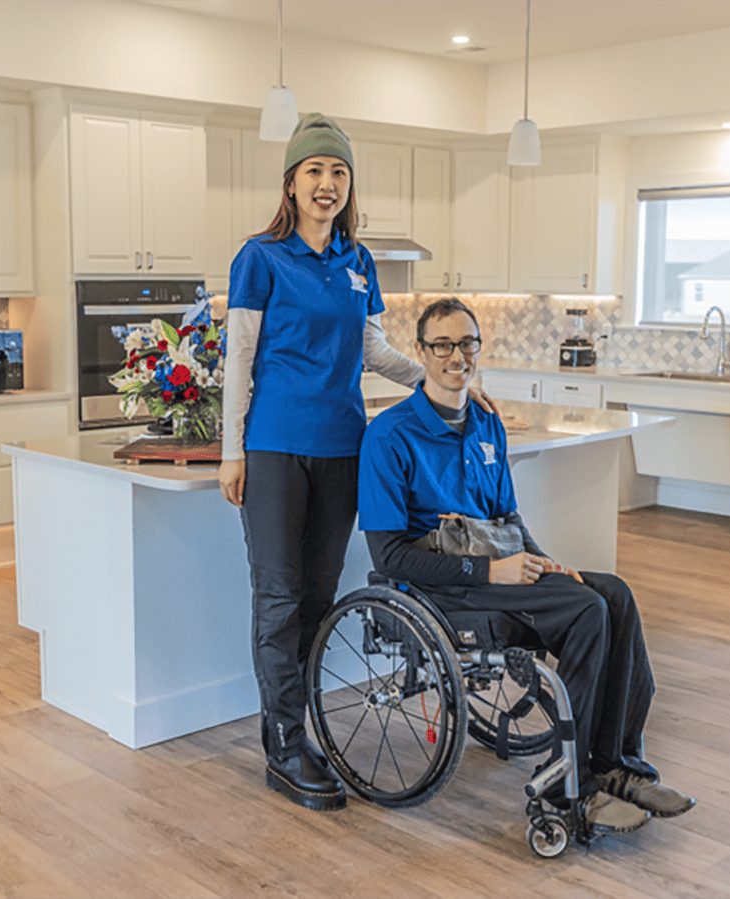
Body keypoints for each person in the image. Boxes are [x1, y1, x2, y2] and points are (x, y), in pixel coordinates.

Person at [218, 114, 493, 811]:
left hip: (345, 448)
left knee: (317, 596)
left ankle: (298, 724)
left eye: (338, 172)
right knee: (278, 599)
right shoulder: (259, 257)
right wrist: (232, 452)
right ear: (291, 181)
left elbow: (374, 351)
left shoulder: (358, 262)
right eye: (314, 171)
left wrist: (444, 379)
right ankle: (284, 745)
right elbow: (240, 362)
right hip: (276, 449)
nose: (327, 184)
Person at [356, 297, 695, 834]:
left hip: (497, 570)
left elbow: (505, 516)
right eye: (442, 345)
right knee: (586, 611)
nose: (456, 356)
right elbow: (390, 557)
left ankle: (617, 766)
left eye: (467, 343)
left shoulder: (487, 424)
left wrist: (542, 562)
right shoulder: (389, 435)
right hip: (438, 588)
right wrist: (492, 573)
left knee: (613, 594)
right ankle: (570, 786)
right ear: (421, 352)